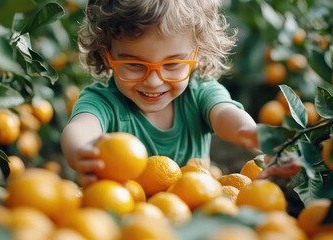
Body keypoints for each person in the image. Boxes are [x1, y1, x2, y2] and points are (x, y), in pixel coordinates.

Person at [61, 0, 296, 187]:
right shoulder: (104, 101)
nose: (153, 81)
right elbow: (80, 128)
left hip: (191, 216)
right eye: (135, 65)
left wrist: (251, 133)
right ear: (106, 56)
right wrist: (82, 150)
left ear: (198, 55)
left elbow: (226, 115)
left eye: (172, 65)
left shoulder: (199, 93)